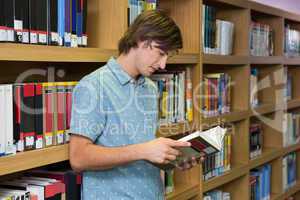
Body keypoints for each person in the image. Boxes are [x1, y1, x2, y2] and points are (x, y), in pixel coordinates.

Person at [69, 10, 197, 200]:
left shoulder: (151, 88)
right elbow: (78, 158)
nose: (163, 65)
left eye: (167, 56)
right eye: (161, 53)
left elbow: (146, 149)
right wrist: (144, 150)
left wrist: (172, 159)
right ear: (141, 39)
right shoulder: (94, 86)